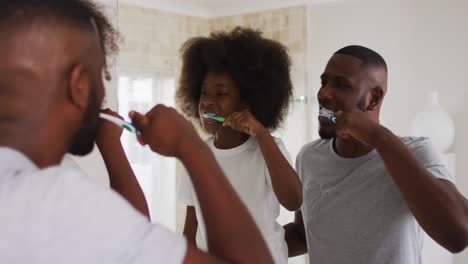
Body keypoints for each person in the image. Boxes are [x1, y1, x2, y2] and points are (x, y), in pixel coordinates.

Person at [0, 1, 273, 263]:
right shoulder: (58, 200)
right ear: (80, 85)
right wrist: (190, 146)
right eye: (102, 74)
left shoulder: (45, 186)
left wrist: (111, 146)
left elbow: (127, 234)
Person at [284, 45, 468, 263]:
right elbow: (303, 234)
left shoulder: (416, 152)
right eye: (324, 82)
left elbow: (457, 236)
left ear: (374, 98)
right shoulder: (308, 157)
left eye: (341, 85)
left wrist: (379, 138)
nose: (323, 93)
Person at [176, 27, 302, 263]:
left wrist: (262, 135)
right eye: (204, 93)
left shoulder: (267, 148)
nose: (208, 103)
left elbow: (293, 200)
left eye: (221, 94)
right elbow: (190, 230)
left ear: (246, 102)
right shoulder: (196, 153)